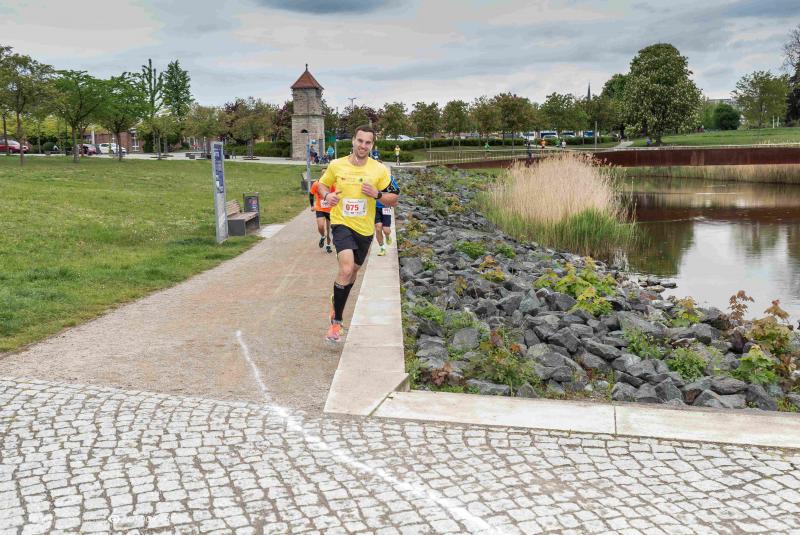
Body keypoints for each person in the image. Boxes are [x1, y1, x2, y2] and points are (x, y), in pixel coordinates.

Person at [316, 125, 400, 343]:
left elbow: (394, 198)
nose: (363, 145)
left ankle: (337, 299)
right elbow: (321, 185)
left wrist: (377, 194)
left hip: (364, 229)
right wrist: (327, 196)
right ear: (353, 140)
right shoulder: (336, 165)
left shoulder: (379, 170)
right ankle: (336, 323)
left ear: (372, 145)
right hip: (341, 223)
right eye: (360, 141)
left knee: (352, 272)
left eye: (367, 142)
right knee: (345, 269)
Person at [374, 174, 400, 256]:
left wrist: (394, 201)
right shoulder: (369, 175)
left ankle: (387, 236)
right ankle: (382, 248)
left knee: (386, 230)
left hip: (386, 207)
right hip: (374, 207)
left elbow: (396, 191)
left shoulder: (389, 178)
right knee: (378, 228)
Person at [309, 179, 335, 253]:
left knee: (329, 229)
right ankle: (323, 236)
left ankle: (328, 245)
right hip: (320, 208)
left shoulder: (332, 184)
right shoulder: (316, 184)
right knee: (320, 226)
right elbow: (311, 194)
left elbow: (337, 194)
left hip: (330, 210)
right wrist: (312, 206)